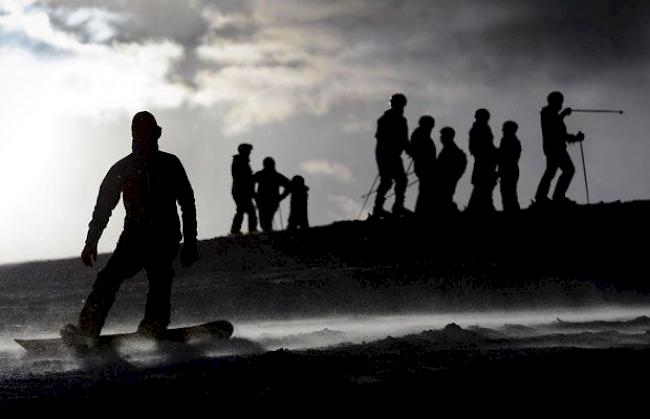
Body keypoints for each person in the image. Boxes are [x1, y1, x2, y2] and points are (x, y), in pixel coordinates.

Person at [62, 111, 198, 347]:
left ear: (156, 135)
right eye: (139, 133)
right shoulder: (122, 169)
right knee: (107, 279)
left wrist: (190, 242)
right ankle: (87, 331)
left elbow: (187, 203)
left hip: (165, 237)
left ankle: (153, 327)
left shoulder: (169, 163)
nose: (145, 138)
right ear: (134, 135)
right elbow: (103, 207)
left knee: (160, 280)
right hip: (133, 239)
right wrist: (91, 241)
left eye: (149, 133)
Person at [534, 91, 585, 205]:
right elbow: (554, 129)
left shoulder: (551, 114)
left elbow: (561, 134)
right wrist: (563, 114)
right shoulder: (547, 113)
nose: (561, 105)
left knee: (554, 171)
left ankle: (546, 196)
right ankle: (552, 197)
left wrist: (575, 138)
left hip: (556, 148)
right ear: (555, 102)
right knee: (562, 170)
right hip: (555, 149)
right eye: (560, 102)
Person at [372, 93, 410, 218]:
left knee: (398, 181)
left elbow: (404, 140)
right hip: (386, 154)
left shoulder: (401, 120)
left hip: (390, 155)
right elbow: (382, 138)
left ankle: (395, 207)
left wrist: (410, 151)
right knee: (388, 181)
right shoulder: (386, 119)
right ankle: (382, 208)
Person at [466, 108, 498, 213]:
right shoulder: (480, 128)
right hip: (484, 162)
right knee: (483, 186)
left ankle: (482, 207)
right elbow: (480, 147)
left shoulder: (480, 128)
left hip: (485, 161)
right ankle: (477, 208)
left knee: (483, 186)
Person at [434, 127, 467, 213]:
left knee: (443, 202)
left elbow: (442, 167)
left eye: (443, 135)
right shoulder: (448, 149)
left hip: (445, 182)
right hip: (446, 181)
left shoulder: (451, 150)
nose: (441, 137)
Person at [253, 157, 291, 232]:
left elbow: (289, 186)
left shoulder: (262, 174)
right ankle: (268, 233)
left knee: (265, 221)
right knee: (266, 220)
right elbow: (289, 185)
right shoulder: (275, 175)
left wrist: (281, 197)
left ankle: (268, 234)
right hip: (267, 201)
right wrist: (281, 197)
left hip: (265, 201)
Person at [410, 115, 436, 216]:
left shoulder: (421, 134)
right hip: (424, 166)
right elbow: (418, 152)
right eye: (431, 125)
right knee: (426, 189)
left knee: (426, 189)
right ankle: (422, 212)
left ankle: (423, 211)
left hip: (425, 166)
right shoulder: (420, 135)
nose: (431, 128)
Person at [230, 143, 258, 235]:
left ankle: (237, 230)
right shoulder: (240, 161)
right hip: (241, 190)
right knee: (247, 210)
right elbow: (241, 177)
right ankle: (249, 230)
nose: (249, 152)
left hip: (242, 190)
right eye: (248, 150)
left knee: (243, 210)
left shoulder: (241, 161)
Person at [498, 121, 522, 212]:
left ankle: (512, 212)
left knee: (508, 193)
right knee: (508, 193)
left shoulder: (509, 141)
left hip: (509, 170)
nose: (502, 130)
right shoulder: (508, 140)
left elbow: (505, 157)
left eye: (505, 128)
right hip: (509, 170)